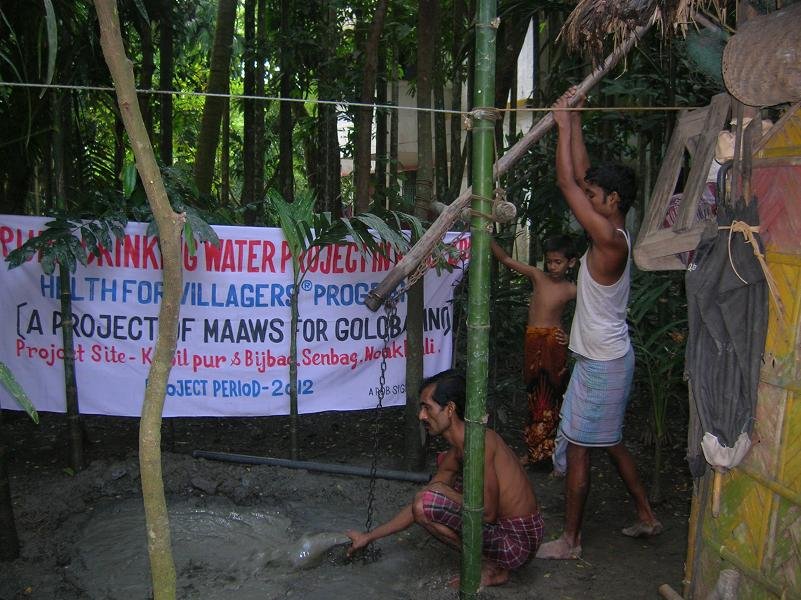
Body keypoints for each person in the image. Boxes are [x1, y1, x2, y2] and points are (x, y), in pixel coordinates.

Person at [535, 87, 661, 561]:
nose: (587, 200)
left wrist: (563, 124)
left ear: (612, 200)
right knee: (608, 442)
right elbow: (581, 178)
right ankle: (647, 514)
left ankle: (570, 541)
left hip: (602, 364)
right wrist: (576, 119)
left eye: (594, 196)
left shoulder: (611, 241)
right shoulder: (613, 229)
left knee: (583, 450)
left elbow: (569, 185)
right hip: (604, 360)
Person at [345, 370, 543, 587]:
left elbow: (487, 512)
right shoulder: (458, 450)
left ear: (449, 409)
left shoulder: (478, 445)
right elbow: (417, 504)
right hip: (508, 534)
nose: (421, 416)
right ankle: (489, 562)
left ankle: (491, 567)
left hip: (517, 543)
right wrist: (369, 536)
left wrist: (443, 490)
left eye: (427, 407)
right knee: (429, 497)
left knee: (429, 500)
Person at [490, 236, 576, 472]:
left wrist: (572, 338)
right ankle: (535, 451)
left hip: (552, 345)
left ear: (571, 263)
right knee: (533, 396)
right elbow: (506, 259)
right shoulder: (538, 277)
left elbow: (591, 313)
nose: (552, 267)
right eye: (549, 262)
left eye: (558, 262)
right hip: (532, 341)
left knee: (550, 397)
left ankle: (550, 455)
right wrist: (485, 234)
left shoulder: (571, 289)